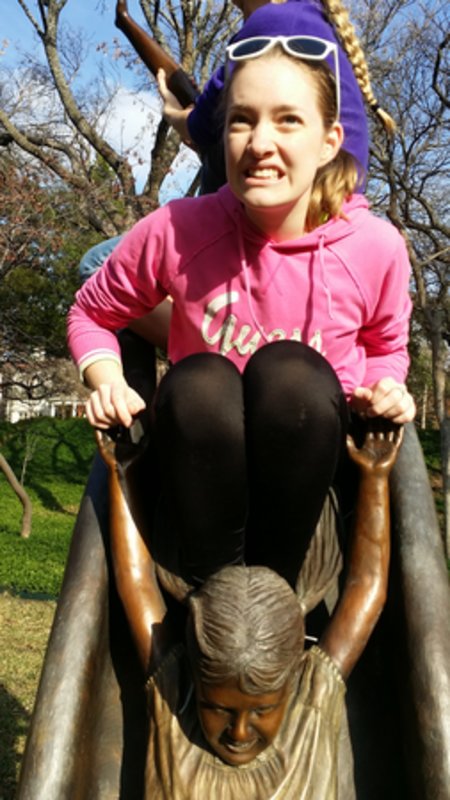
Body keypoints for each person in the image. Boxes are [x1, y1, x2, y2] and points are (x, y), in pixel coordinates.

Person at [68, 35, 415, 593]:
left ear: (329, 142)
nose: (260, 143)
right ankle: (215, 590)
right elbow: (91, 312)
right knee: (202, 381)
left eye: (288, 121)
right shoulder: (176, 231)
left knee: (290, 373)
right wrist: (107, 381)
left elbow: (386, 344)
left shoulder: (374, 248)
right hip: (200, 482)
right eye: (241, 121)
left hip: (310, 486)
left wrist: (386, 388)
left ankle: (277, 588)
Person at [96, 421, 403, 798]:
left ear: (293, 680)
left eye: (262, 709)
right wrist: (122, 474)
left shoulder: (312, 705)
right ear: (196, 680)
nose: (239, 733)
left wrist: (374, 478)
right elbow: (135, 582)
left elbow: (366, 589)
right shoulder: (173, 700)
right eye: (217, 708)